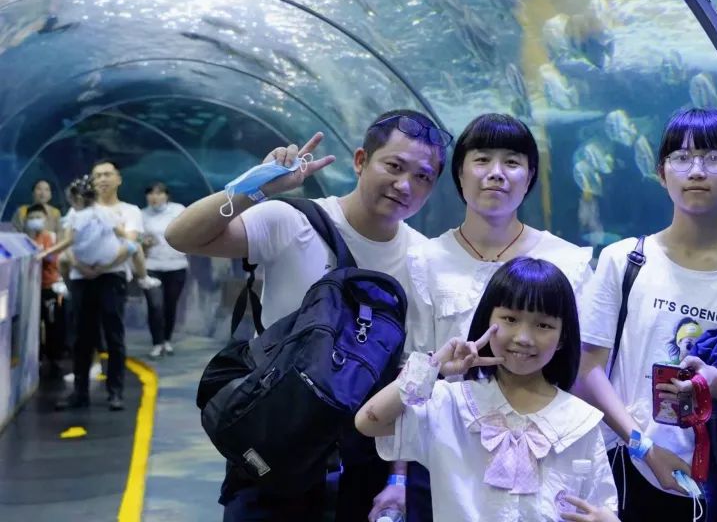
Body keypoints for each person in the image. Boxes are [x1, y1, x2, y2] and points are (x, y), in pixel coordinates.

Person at [165, 109, 452, 522]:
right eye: (394, 166)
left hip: (362, 460)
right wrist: (253, 188)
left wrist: (398, 479)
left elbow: (411, 378)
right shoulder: (294, 221)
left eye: (423, 176)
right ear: (360, 161)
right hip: (274, 444)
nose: (405, 185)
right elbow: (181, 236)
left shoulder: (424, 260)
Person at [574, 108, 717, 521]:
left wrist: (712, 383)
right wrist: (645, 448)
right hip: (625, 466)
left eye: (714, 158)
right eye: (682, 157)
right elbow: (588, 371)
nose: (696, 171)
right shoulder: (625, 260)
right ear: (661, 173)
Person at [397, 113, 594, 522]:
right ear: (459, 173)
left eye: (512, 162)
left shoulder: (568, 261)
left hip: (542, 452)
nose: (496, 173)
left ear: (530, 175)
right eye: (482, 159)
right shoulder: (425, 260)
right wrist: (396, 477)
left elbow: (578, 369)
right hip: (444, 454)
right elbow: (412, 368)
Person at [356, 257, 620, 522]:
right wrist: (433, 366)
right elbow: (369, 421)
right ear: (487, 321)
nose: (523, 338)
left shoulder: (580, 421)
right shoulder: (451, 403)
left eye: (543, 325)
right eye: (510, 319)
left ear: (563, 337)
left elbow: (602, 507)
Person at [55, 170, 156, 412]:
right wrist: (80, 266)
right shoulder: (77, 210)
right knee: (81, 336)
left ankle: (115, 392)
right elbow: (67, 243)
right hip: (81, 277)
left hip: (112, 276)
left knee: (114, 335)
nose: (102, 179)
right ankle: (79, 392)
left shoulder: (129, 211)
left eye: (107, 174)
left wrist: (104, 266)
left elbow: (131, 242)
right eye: (98, 175)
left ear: (119, 179)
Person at [141, 182, 189, 358]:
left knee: (170, 305)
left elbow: (189, 230)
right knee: (155, 305)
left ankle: (166, 340)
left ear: (166, 195)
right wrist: (144, 242)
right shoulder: (142, 214)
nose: (154, 197)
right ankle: (157, 343)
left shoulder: (178, 210)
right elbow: (136, 239)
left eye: (159, 193)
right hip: (151, 266)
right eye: (151, 193)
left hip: (176, 265)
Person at [25, 203, 65, 377]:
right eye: (32, 218)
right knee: (35, 323)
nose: (35, 221)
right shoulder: (24, 240)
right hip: (31, 288)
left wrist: (43, 253)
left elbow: (53, 258)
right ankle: (37, 356)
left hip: (50, 287)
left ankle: (55, 358)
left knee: (52, 323)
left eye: (38, 217)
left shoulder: (51, 238)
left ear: (45, 219)